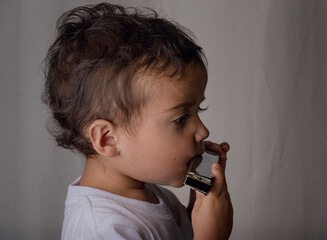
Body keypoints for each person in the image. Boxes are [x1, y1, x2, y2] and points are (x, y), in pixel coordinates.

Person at [43, 2, 233, 240]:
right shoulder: (100, 229)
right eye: (181, 118)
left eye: (199, 110)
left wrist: (200, 202)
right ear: (107, 138)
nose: (203, 131)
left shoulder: (151, 195)